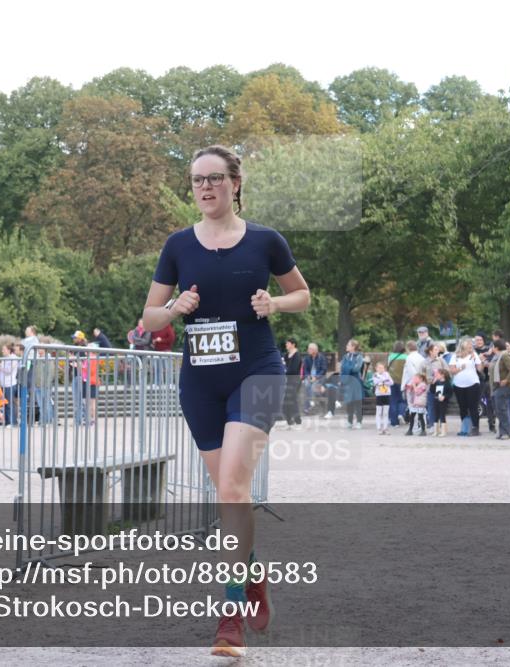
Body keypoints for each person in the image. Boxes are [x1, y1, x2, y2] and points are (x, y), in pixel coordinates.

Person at [141, 144, 310, 657]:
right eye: (196, 180)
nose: (205, 187)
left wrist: (273, 302)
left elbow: (302, 294)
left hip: (257, 372)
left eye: (215, 178)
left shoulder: (265, 241)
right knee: (230, 498)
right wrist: (174, 308)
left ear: (235, 183)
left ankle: (229, 616)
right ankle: (254, 575)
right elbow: (149, 318)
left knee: (233, 489)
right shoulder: (177, 245)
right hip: (201, 383)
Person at [449, 338, 481, 436]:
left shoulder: (474, 355)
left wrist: (476, 359)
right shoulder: (455, 356)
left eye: (471, 347)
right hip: (459, 385)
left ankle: (475, 428)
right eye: (468, 346)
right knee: (462, 407)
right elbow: (452, 371)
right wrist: (460, 368)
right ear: (463, 347)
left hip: (473, 384)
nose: (470, 348)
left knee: (473, 406)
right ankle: (465, 427)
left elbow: (480, 368)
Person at [489, 339, 510, 440]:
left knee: (502, 409)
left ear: (496, 348)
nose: (491, 348)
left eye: (492, 346)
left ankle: (506, 432)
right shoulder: (496, 357)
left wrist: (506, 380)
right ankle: (503, 431)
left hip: (505, 386)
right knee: (499, 410)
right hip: (497, 386)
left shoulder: (504, 356)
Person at [339, 339, 365, 429]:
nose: (346, 346)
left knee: (358, 402)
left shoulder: (359, 357)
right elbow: (342, 368)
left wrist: (347, 367)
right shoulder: (345, 356)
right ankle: (349, 421)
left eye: (348, 345)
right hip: (347, 381)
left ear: (353, 347)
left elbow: (356, 369)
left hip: (356, 381)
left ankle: (359, 421)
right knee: (349, 402)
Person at [474, 333, 496, 432]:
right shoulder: (472, 351)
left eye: (480, 340)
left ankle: (492, 424)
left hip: (488, 380)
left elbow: (491, 364)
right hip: (476, 380)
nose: (478, 342)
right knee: (476, 403)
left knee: (490, 403)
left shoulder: (489, 351)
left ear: (483, 340)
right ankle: (476, 426)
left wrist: (482, 361)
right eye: (476, 340)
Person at [300, 342, 327, 415]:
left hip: (319, 377)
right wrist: (309, 376)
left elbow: (323, 370)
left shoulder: (321, 357)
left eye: (309, 349)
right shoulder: (307, 358)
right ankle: (308, 406)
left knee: (313, 387)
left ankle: (311, 404)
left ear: (314, 350)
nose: (308, 350)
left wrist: (316, 377)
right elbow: (305, 370)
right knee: (306, 385)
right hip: (310, 377)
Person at [281, 338, 302, 428]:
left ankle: (297, 421)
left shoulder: (297, 355)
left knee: (292, 400)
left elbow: (293, 369)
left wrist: (284, 371)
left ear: (293, 344)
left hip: (294, 380)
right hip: (287, 380)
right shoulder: (286, 355)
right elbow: (283, 365)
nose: (286, 345)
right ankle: (290, 420)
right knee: (287, 401)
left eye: (288, 343)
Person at [386, 341, 408, 427]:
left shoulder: (391, 356)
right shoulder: (406, 357)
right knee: (402, 400)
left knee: (392, 401)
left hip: (391, 381)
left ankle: (394, 422)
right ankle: (400, 413)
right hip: (402, 381)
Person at [404, 371, 429, 436]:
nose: (414, 380)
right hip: (415, 404)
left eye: (416, 379)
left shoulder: (423, 385)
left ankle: (423, 430)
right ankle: (410, 430)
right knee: (412, 416)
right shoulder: (418, 385)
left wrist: (414, 386)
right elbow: (412, 393)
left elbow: (418, 393)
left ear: (421, 379)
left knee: (420, 417)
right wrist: (410, 388)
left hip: (420, 403)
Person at [371, 362, 394, 435]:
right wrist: (384, 380)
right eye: (379, 368)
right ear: (376, 368)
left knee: (385, 412)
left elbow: (391, 382)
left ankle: (385, 428)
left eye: (382, 368)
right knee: (379, 412)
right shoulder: (375, 375)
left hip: (386, 394)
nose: (381, 369)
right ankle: (379, 428)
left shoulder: (387, 374)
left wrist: (383, 381)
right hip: (379, 394)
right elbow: (376, 382)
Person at [0, 343, 19, 426]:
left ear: (9, 350)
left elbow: (9, 371)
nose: (2, 351)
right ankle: (8, 421)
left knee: (9, 404)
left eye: (3, 349)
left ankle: (11, 422)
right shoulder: (4, 358)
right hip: (4, 384)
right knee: (5, 404)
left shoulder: (13, 359)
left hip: (10, 384)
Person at [430, 366, 452, 437]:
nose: (436, 376)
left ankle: (443, 431)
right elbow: (432, 391)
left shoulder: (447, 383)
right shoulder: (437, 382)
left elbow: (450, 393)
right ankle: (436, 431)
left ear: (443, 375)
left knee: (442, 415)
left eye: (438, 374)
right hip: (436, 400)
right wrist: (433, 383)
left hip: (443, 402)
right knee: (436, 415)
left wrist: (444, 397)